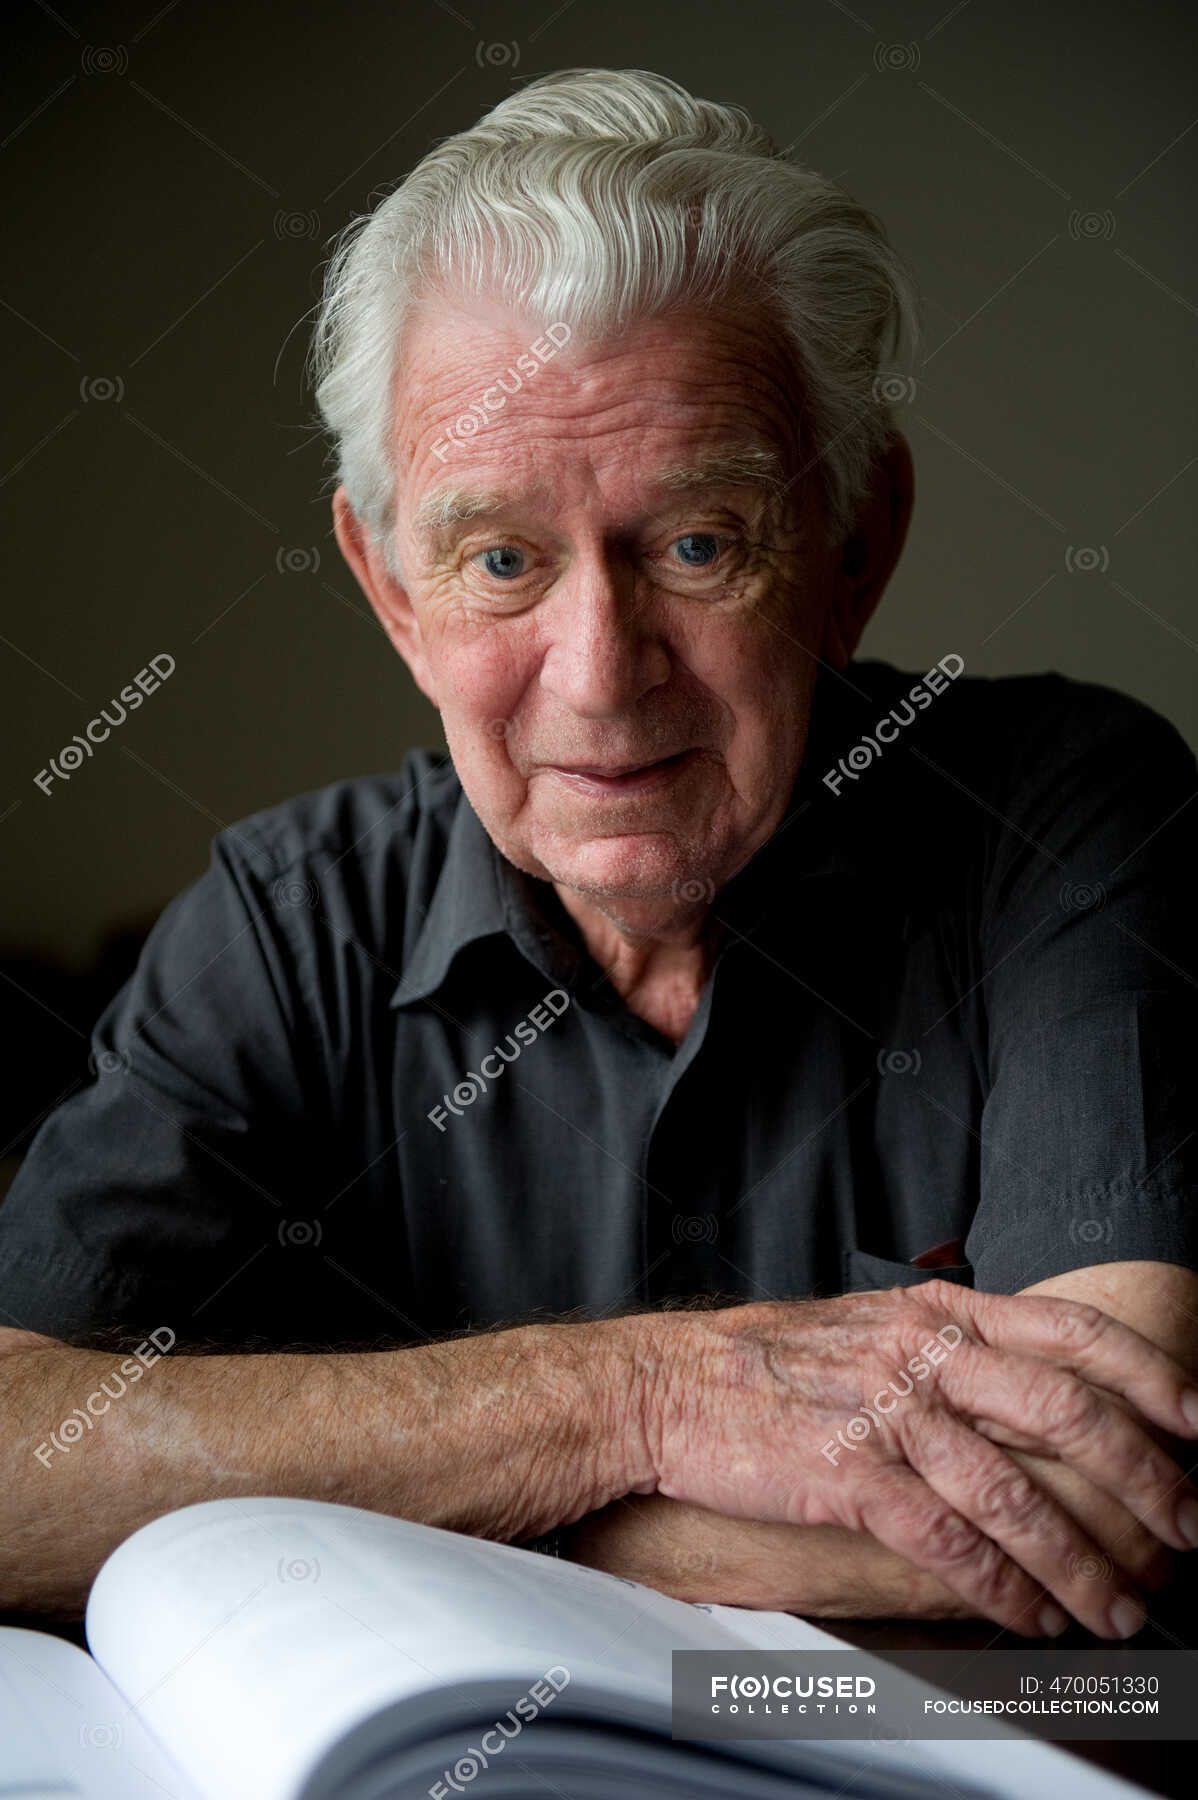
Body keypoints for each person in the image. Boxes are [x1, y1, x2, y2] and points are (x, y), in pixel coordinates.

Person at [2, 69, 1196, 1643]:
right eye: (499, 558)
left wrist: (376, 1514)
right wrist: (623, 1402)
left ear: (853, 545)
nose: (598, 674)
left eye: (697, 543)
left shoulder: (1064, 811)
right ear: (390, 588)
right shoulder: (288, 922)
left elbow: (1085, 1499)